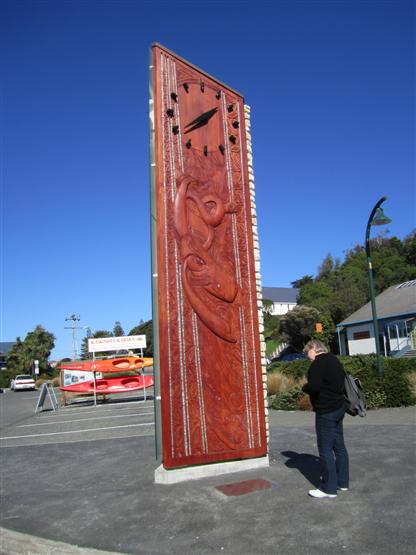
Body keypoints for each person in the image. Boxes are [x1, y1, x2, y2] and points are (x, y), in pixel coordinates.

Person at [302, 339, 349, 499]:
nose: (307, 356)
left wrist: (304, 387)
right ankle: (342, 482)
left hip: (326, 411)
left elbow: (313, 387)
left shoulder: (318, 363)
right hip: (339, 408)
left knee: (325, 449)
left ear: (314, 349)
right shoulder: (334, 360)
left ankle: (329, 488)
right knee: (339, 446)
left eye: (307, 352)